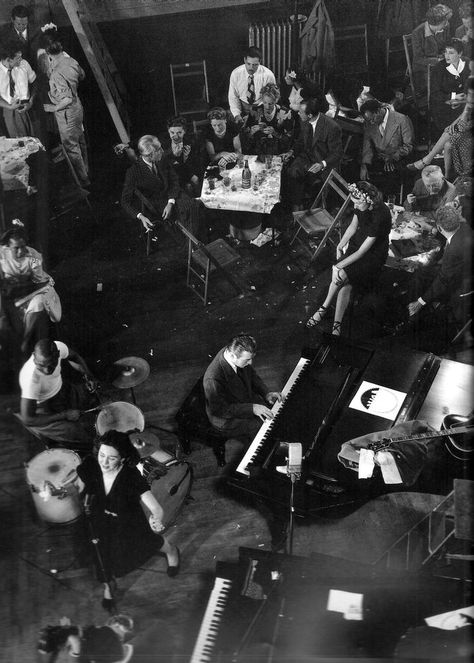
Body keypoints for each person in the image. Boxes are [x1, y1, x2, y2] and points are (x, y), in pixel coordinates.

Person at [76, 431, 180, 606]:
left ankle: (171, 551)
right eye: (102, 455)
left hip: (128, 520)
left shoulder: (131, 477)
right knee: (101, 555)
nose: (104, 462)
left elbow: (156, 508)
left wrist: (156, 518)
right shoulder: (90, 464)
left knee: (148, 542)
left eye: (112, 458)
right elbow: (81, 488)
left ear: (123, 458)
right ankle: (108, 586)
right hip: (97, 520)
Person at [306, 181, 392, 336]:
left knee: (342, 277)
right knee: (342, 279)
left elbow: (362, 253)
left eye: (358, 203)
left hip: (373, 254)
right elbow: (353, 226)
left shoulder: (381, 214)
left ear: (368, 200)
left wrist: (339, 266)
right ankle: (331, 316)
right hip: (359, 243)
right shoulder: (361, 205)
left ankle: (328, 315)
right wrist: (341, 243)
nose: (356, 207)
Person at [19, 338, 96, 448]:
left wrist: (88, 376)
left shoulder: (59, 347)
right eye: (41, 365)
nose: (46, 371)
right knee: (81, 434)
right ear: (34, 356)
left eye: (51, 365)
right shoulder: (31, 379)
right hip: (44, 407)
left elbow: (75, 357)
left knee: (94, 399)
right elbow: (27, 419)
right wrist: (64, 415)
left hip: (61, 389)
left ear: (58, 354)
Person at [121, 133, 201, 239]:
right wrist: (141, 216)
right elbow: (125, 201)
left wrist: (170, 202)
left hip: (172, 194)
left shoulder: (162, 158)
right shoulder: (133, 172)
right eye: (159, 149)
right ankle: (191, 246)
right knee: (187, 213)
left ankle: (195, 243)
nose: (163, 151)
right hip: (157, 203)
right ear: (149, 155)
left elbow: (174, 179)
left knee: (192, 206)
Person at [203, 334, 282, 440]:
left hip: (241, 402)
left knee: (274, 414)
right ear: (232, 356)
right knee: (264, 426)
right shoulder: (213, 378)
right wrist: (252, 408)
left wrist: (266, 393)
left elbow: (252, 376)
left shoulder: (233, 351)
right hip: (225, 419)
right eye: (247, 360)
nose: (250, 363)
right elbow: (220, 410)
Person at [0, 220, 61, 354]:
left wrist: (20, 284)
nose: (21, 251)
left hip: (32, 291)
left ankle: (25, 342)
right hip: (9, 296)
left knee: (39, 302)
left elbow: (40, 282)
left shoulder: (34, 256)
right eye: (16, 248)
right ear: (7, 246)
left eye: (23, 246)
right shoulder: (2, 255)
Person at [407, 205, 472, 322]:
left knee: (419, 276)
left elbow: (443, 280)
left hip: (461, 288)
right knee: (424, 270)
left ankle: (413, 314)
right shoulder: (465, 227)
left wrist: (420, 302)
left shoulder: (454, 250)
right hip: (463, 271)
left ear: (439, 228)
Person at [42, 39, 89, 188]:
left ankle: (82, 180)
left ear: (49, 55)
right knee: (80, 141)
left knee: (70, 146)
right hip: (78, 108)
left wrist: (53, 108)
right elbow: (82, 75)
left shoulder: (56, 74)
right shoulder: (71, 60)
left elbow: (67, 98)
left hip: (67, 113)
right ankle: (86, 171)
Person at [408, 75, 474, 179]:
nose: (470, 97)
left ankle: (427, 160)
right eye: (469, 94)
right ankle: (446, 175)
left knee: (449, 143)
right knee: (448, 141)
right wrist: (453, 124)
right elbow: (463, 117)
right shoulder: (470, 99)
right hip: (466, 128)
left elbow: (465, 124)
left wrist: (458, 124)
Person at [284, 96, 342, 209]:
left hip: (323, 162)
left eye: (300, 112)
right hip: (307, 157)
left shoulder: (332, 127)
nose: (298, 113)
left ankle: (310, 209)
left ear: (310, 115)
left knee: (313, 182)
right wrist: (291, 151)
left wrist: (322, 164)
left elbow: (337, 153)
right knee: (292, 171)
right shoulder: (305, 120)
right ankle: (297, 206)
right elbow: (301, 140)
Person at [359, 99, 414, 196]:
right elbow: (367, 146)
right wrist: (364, 165)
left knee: (389, 178)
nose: (371, 122)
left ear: (378, 111)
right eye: (369, 120)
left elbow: (408, 146)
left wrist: (393, 157)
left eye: (372, 119)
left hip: (399, 159)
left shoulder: (402, 119)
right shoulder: (369, 122)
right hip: (381, 159)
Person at [228, 46, 276, 126]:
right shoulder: (236, 74)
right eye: (248, 64)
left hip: (261, 108)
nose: (251, 68)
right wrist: (237, 115)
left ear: (260, 61)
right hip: (242, 107)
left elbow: (271, 99)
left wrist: (255, 113)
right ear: (244, 60)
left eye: (255, 65)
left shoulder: (268, 75)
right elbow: (233, 97)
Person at [430, 39, 470, 133]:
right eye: (446, 52)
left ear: (460, 54)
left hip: (465, 103)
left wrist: (463, 99)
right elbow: (435, 94)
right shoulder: (439, 68)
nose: (447, 56)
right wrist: (453, 97)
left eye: (451, 53)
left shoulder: (468, 63)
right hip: (444, 107)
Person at [411, 3, 452, 95]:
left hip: (442, 63)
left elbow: (447, 45)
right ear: (436, 23)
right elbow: (418, 59)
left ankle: (451, 101)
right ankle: (441, 102)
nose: (446, 24)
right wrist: (438, 60)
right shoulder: (417, 33)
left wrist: (448, 54)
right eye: (444, 22)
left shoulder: (446, 26)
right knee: (444, 81)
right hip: (423, 69)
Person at [0, 39, 36, 137]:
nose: (21, 60)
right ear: (8, 59)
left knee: (34, 141)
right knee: (18, 144)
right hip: (9, 109)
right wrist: (9, 106)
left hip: (28, 107)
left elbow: (34, 83)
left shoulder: (24, 64)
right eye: (18, 58)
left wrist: (31, 102)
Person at [244, 83, 293, 156]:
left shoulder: (285, 113)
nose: (267, 107)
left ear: (276, 100)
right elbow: (245, 137)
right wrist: (251, 133)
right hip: (257, 152)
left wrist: (275, 133)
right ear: (262, 99)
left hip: (278, 152)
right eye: (265, 102)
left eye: (270, 103)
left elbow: (289, 139)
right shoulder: (254, 111)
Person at [162, 115, 203, 196]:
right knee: (188, 187)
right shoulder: (163, 144)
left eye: (179, 132)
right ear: (168, 131)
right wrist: (174, 156)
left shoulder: (191, 142)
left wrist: (185, 158)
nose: (176, 136)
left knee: (196, 180)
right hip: (171, 175)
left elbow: (196, 164)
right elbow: (163, 165)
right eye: (172, 132)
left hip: (186, 171)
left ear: (184, 131)